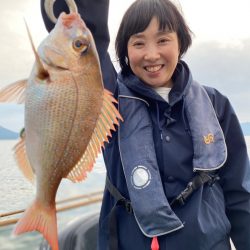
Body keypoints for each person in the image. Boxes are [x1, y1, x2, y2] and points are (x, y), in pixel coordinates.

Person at [41, 0, 250, 249]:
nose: (152, 54)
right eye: (138, 43)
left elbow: (240, 193)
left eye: (163, 40)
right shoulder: (108, 98)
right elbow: (81, 39)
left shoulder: (216, 104)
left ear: (180, 42)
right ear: (125, 51)